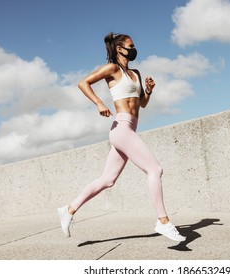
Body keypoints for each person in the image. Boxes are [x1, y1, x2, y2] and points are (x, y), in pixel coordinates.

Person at [58, 32, 186, 242]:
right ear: (119, 48)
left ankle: (69, 210)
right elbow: (83, 83)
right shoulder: (112, 69)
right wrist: (99, 103)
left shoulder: (135, 72)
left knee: (107, 180)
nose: (134, 49)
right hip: (121, 128)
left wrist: (149, 91)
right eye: (130, 45)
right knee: (155, 169)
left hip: (130, 129)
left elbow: (141, 104)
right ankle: (163, 221)